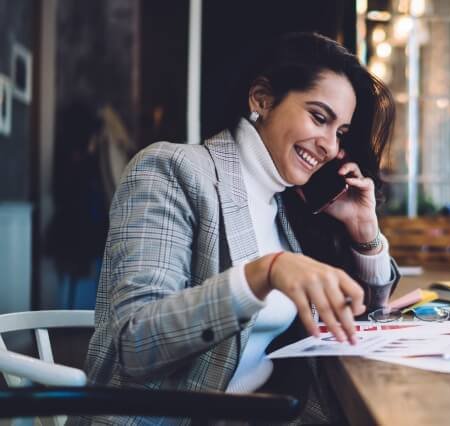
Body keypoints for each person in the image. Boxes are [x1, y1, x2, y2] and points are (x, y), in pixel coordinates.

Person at [79, 33, 399, 424]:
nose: (331, 147)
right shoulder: (171, 169)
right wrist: (263, 274)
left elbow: (366, 318)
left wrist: (364, 231)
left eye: (341, 134)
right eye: (319, 117)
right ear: (261, 99)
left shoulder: (284, 205)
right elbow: (137, 341)